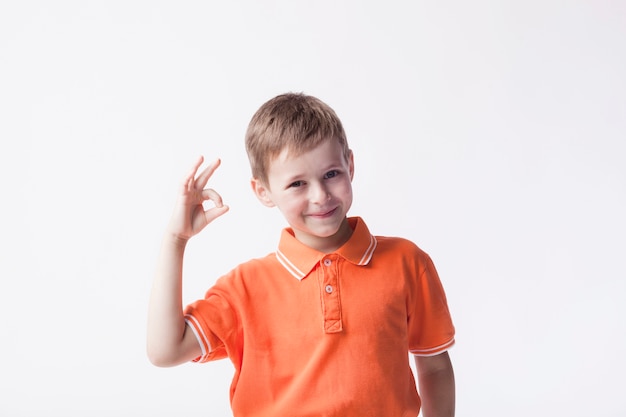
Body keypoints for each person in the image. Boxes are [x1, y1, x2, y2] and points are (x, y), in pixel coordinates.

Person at [147, 93, 456, 417]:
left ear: (349, 164)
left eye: (331, 174)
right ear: (263, 192)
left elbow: (434, 367)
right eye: (297, 184)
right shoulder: (245, 287)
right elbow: (165, 351)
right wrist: (175, 240)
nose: (320, 196)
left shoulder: (407, 263)